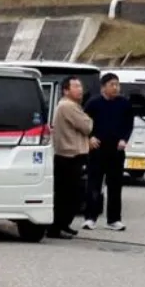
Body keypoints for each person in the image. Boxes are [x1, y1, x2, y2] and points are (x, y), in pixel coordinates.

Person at [81, 72, 133, 232]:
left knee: (115, 186)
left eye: (117, 84)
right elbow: (83, 123)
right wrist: (89, 138)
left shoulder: (124, 103)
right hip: (97, 150)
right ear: (103, 87)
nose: (116, 87)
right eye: (112, 84)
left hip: (116, 150)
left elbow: (128, 124)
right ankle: (90, 217)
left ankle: (114, 219)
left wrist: (124, 139)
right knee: (94, 184)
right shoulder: (93, 103)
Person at [49, 77, 93, 239]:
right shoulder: (68, 106)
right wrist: (89, 120)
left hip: (68, 155)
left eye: (80, 86)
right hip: (70, 156)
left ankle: (63, 224)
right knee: (70, 195)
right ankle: (57, 226)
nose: (80, 89)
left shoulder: (70, 106)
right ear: (66, 90)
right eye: (75, 86)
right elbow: (87, 126)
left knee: (69, 194)